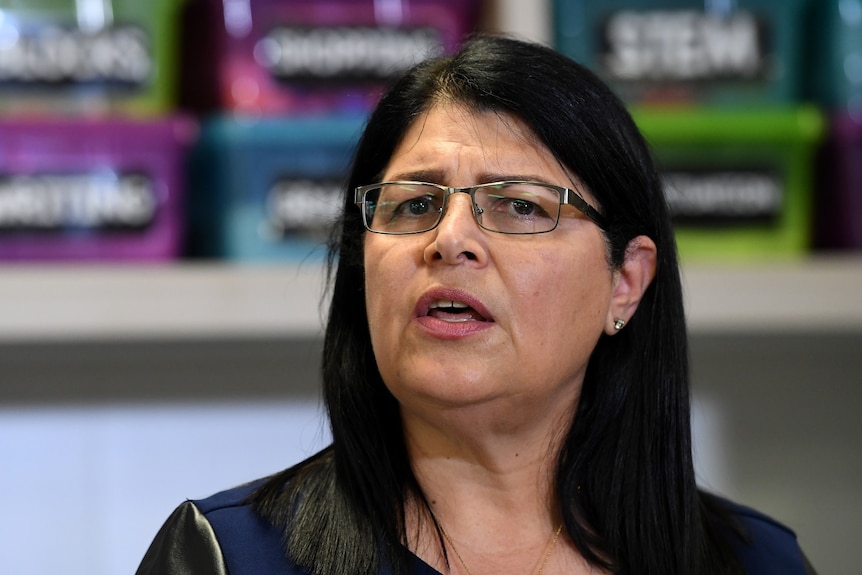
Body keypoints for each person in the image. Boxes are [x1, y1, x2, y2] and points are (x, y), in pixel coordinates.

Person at [136, 35, 816, 575]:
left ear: (626, 282)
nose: (450, 238)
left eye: (519, 205)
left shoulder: (758, 562)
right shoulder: (226, 557)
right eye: (414, 204)